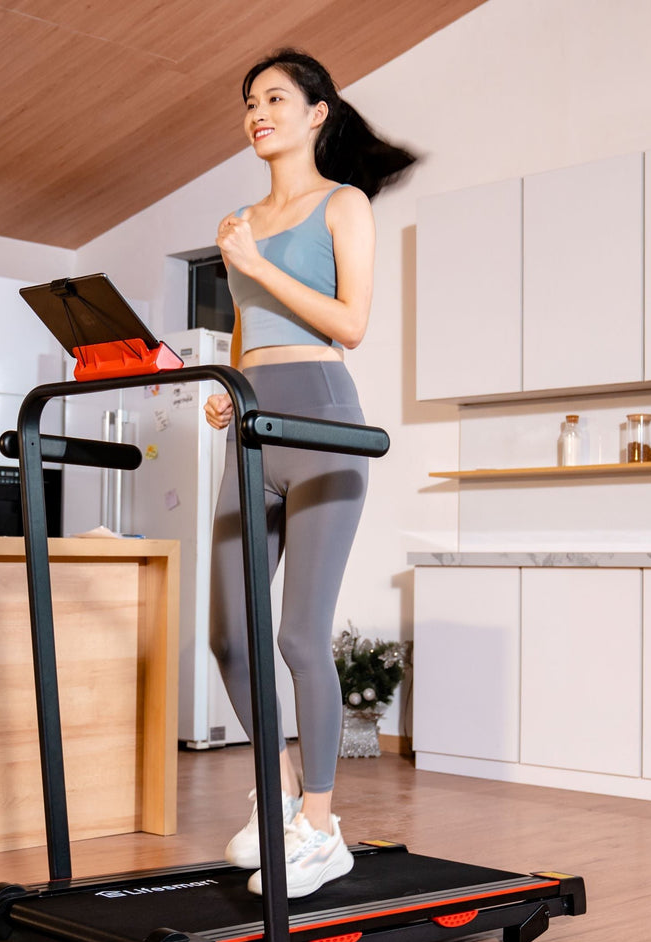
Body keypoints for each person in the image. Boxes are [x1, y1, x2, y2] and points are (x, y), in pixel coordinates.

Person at [204, 49, 415, 898]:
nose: (258, 113)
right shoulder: (237, 220)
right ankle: (283, 794)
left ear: (317, 112)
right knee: (229, 633)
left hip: (323, 422)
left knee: (297, 636)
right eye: (250, 101)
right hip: (251, 424)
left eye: (275, 99)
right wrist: (227, 390)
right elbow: (243, 335)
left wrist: (256, 265)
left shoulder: (343, 205)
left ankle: (323, 829)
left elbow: (351, 322)